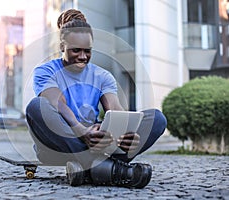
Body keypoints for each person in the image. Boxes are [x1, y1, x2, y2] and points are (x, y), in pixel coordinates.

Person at [26, 9, 167, 188]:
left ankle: (89, 168)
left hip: (96, 142)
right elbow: (57, 103)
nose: (83, 57)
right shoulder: (45, 71)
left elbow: (115, 108)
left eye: (87, 51)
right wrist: (81, 131)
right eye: (76, 50)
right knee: (36, 106)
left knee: (157, 118)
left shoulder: (103, 76)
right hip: (58, 145)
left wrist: (127, 133)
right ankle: (108, 169)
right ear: (62, 47)